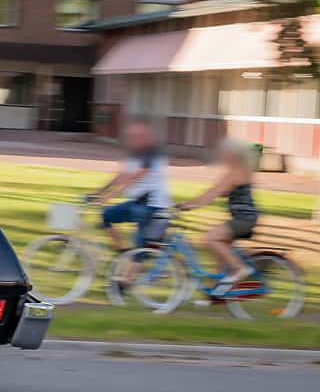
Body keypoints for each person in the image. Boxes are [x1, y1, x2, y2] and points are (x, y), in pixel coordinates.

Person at [178, 137, 261, 296]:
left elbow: (212, 194)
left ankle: (240, 268)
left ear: (232, 154)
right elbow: (221, 191)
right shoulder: (240, 170)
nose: (222, 155)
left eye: (224, 152)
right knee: (220, 255)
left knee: (210, 238)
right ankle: (215, 295)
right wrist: (194, 201)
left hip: (243, 220)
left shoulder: (235, 172)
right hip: (245, 218)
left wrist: (189, 205)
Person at [90, 118, 170, 282]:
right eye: (132, 136)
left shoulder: (152, 154)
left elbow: (133, 177)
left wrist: (109, 196)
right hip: (138, 204)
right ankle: (123, 251)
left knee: (140, 248)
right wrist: (98, 192)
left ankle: (125, 282)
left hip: (152, 207)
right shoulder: (136, 153)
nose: (133, 139)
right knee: (107, 215)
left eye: (138, 136)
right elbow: (122, 175)